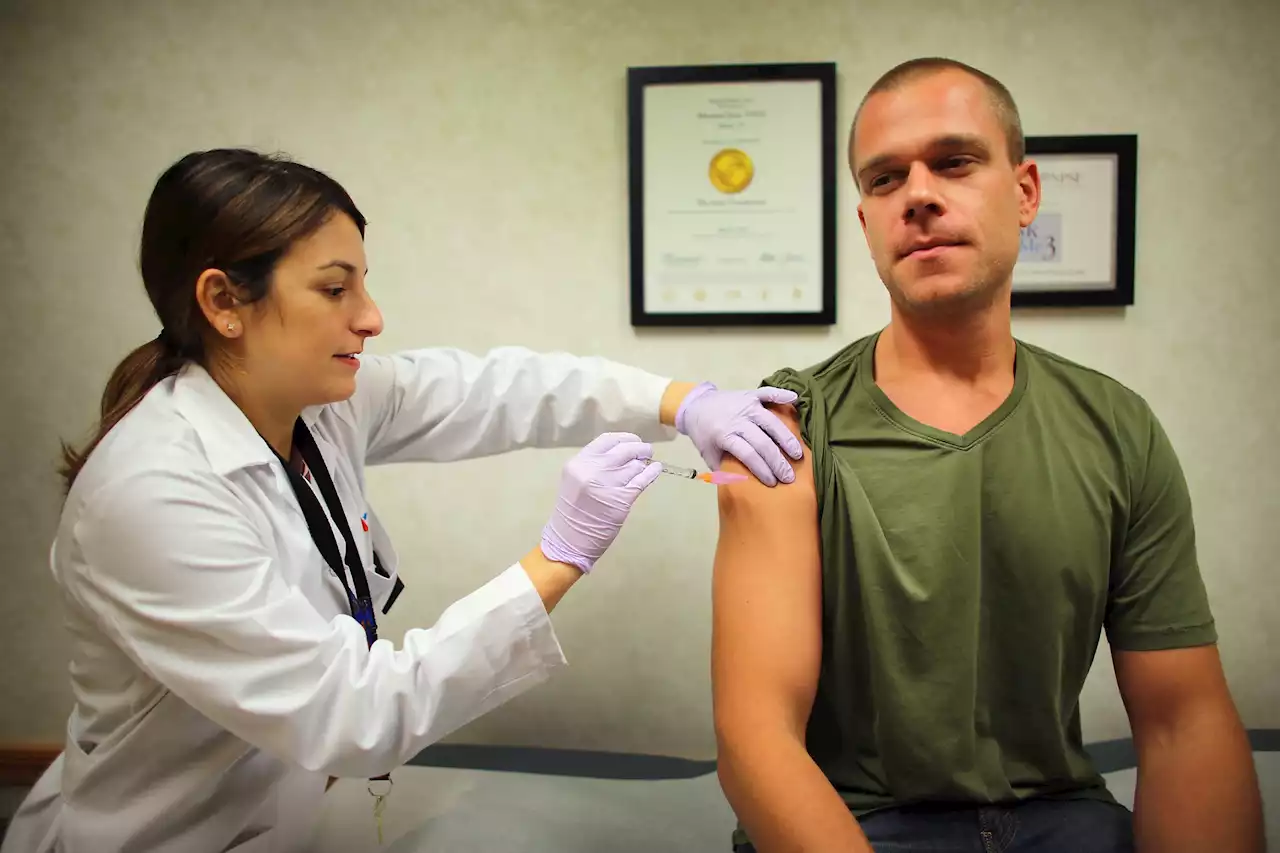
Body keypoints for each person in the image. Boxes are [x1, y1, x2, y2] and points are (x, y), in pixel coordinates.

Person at [1, 148, 804, 853]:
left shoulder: (316, 405)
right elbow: (351, 714)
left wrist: (680, 399)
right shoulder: (151, 494)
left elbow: (498, 389)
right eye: (334, 287)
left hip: (290, 813)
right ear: (223, 302)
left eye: (364, 282)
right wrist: (557, 558)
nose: (371, 316)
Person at [711, 58, 1265, 853]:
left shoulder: (1116, 428)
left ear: (1026, 191)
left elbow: (1185, 720)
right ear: (866, 223)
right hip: (858, 826)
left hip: (1061, 817)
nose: (920, 194)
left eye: (956, 161)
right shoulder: (788, 426)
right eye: (885, 178)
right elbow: (753, 736)